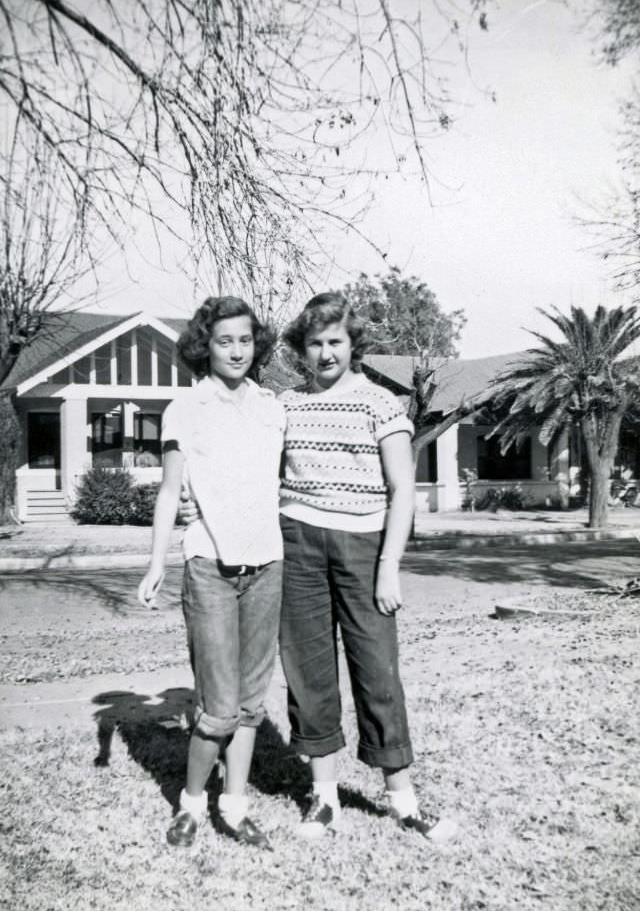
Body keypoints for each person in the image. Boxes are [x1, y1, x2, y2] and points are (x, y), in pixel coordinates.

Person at [277, 292, 442, 839]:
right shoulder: (285, 404)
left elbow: (402, 491)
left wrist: (388, 566)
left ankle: (402, 800)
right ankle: (323, 797)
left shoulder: (380, 403)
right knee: (308, 673)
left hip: (364, 547)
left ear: (353, 346)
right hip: (296, 543)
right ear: (302, 348)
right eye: (315, 343)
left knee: (377, 672)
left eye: (335, 342)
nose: (325, 354)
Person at [138, 295, 285, 850]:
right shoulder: (186, 408)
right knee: (218, 708)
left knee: (250, 703)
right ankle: (192, 805)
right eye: (224, 340)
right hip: (209, 567)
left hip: (268, 564)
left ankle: (235, 805)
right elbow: (170, 490)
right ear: (205, 346)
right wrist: (156, 561)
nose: (237, 350)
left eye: (245, 339)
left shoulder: (273, 407)